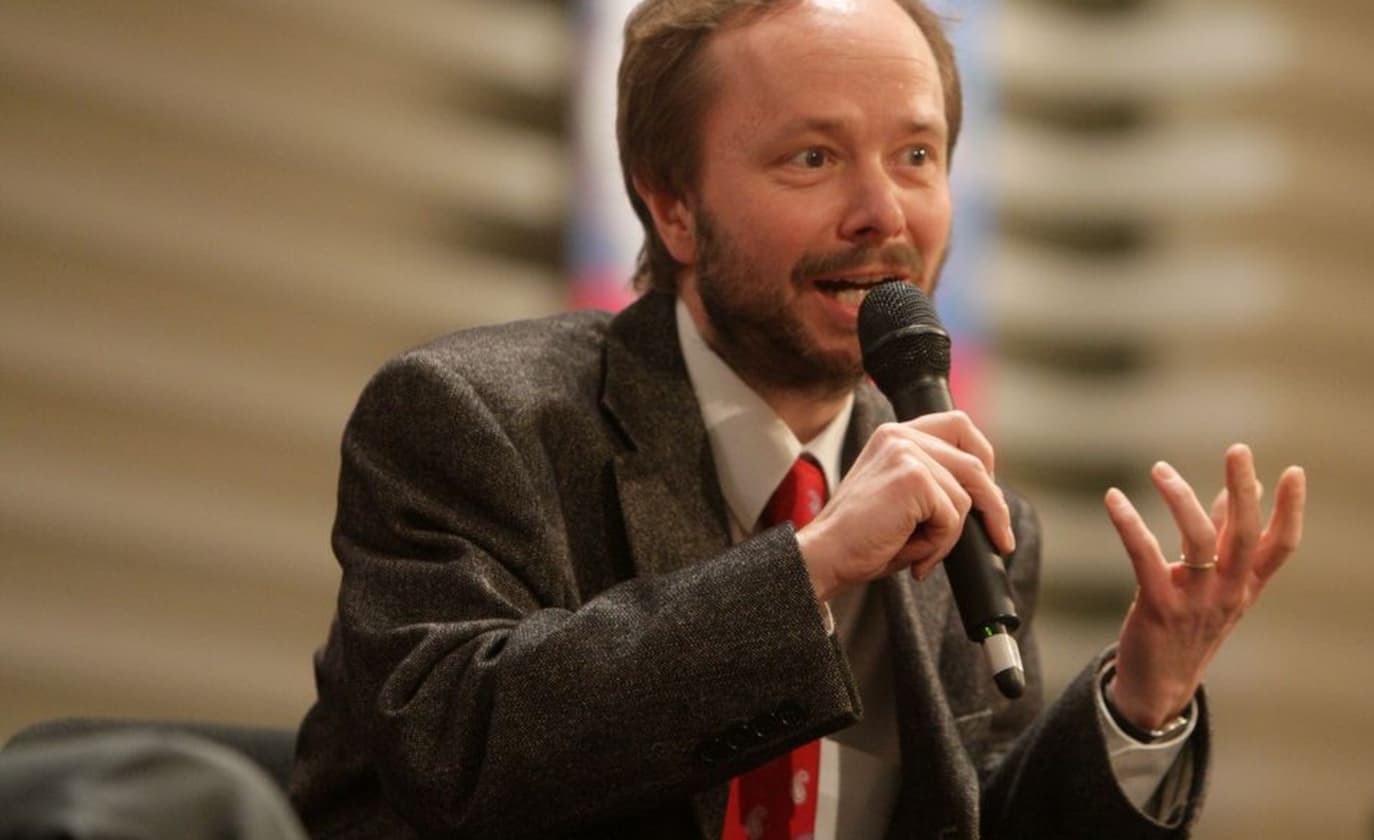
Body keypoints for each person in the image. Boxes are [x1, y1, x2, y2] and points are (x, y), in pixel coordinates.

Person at [287, 0, 1308, 837]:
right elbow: (461, 750)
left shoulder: (975, 522)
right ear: (672, 206)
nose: (884, 213)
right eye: (813, 160)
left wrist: (1140, 704)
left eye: (916, 155)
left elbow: (974, 822)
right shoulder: (473, 419)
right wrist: (809, 566)